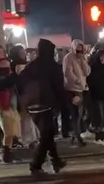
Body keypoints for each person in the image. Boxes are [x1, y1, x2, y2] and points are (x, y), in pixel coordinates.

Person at [17, 38, 72, 174]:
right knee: (47, 134)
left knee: (47, 133)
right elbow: (58, 87)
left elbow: (20, 83)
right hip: (46, 104)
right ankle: (36, 164)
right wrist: (64, 103)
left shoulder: (30, 66)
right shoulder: (53, 66)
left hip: (31, 105)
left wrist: (25, 100)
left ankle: (56, 160)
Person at [61, 40, 90, 143]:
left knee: (81, 114)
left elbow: (87, 72)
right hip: (72, 90)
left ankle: (76, 134)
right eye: (77, 51)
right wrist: (78, 81)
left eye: (81, 51)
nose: (79, 53)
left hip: (82, 89)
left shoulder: (82, 58)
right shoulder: (68, 58)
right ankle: (77, 136)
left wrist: (83, 60)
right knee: (75, 114)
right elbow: (68, 73)